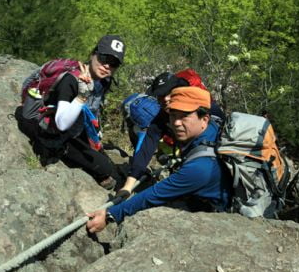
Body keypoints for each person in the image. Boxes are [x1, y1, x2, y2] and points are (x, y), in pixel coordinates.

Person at [87, 86, 231, 233]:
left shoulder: (200, 168)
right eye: (173, 115)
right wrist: (128, 186)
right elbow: (147, 145)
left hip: (220, 215)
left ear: (204, 119)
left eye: (184, 116)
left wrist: (110, 214)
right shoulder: (213, 127)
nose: (176, 123)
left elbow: (154, 195)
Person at [15, 35, 126, 190]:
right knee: (105, 168)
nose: (107, 66)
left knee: (100, 155)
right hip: (49, 127)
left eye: (113, 63)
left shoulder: (103, 81)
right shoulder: (71, 80)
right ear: (93, 54)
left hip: (74, 123)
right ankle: (52, 149)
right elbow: (61, 123)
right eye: (104, 58)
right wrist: (81, 96)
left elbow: (93, 109)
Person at [118, 70, 225, 197]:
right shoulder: (162, 116)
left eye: (169, 93)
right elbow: (146, 149)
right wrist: (128, 186)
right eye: (160, 96)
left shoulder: (203, 106)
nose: (166, 99)